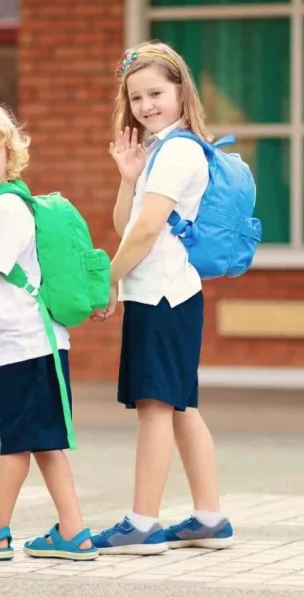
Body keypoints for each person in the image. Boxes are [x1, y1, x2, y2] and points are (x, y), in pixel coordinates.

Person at [90, 42, 234, 555]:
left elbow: (149, 228)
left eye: (156, 93)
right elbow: (126, 222)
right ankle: (210, 518)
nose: (146, 105)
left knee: (155, 406)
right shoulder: (159, 151)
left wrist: (107, 278)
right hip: (169, 293)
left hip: (163, 296)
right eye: (136, 97)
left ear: (180, 91)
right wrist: (129, 177)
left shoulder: (179, 150)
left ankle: (141, 523)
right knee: (178, 407)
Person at [0, 103, 97, 562]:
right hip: (30, 345)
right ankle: (74, 532)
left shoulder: (5, 207)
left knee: (17, 443)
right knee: (43, 441)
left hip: (28, 346)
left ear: (11, 157)